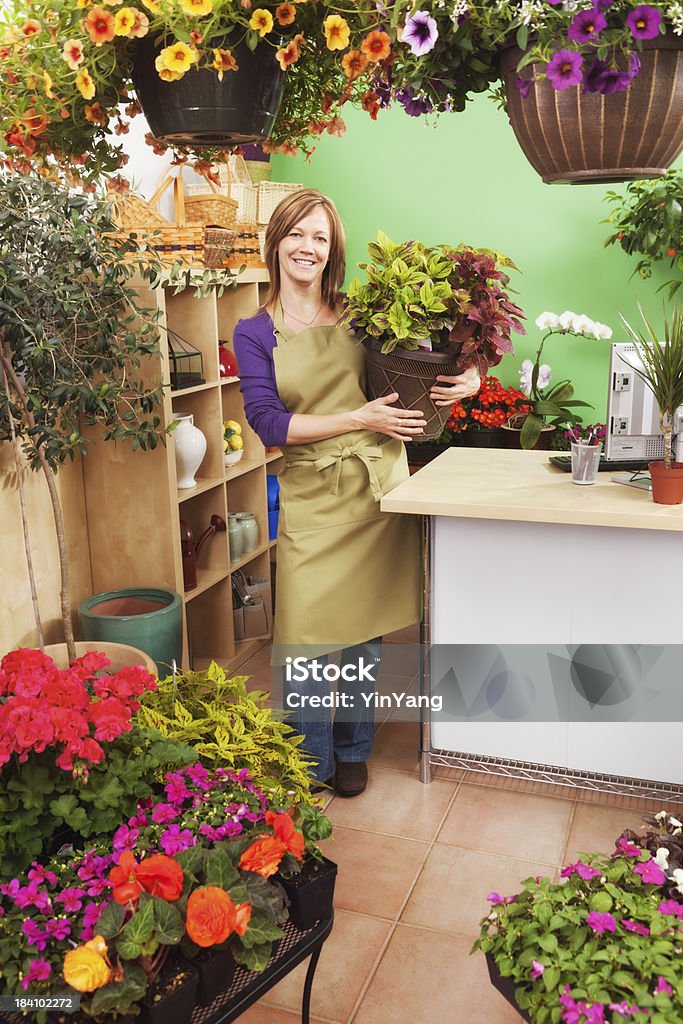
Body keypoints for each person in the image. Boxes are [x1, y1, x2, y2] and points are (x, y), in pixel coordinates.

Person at [233, 189, 479, 796]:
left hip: (374, 486)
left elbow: (432, 359)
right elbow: (268, 424)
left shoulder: (363, 315)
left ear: (332, 249)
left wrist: (468, 377)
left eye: (319, 237)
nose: (307, 247)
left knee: (365, 633)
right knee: (307, 638)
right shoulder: (252, 331)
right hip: (312, 490)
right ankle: (309, 761)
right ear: (276, 242)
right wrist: (359, 419)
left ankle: (352, 752)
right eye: (296, 234)